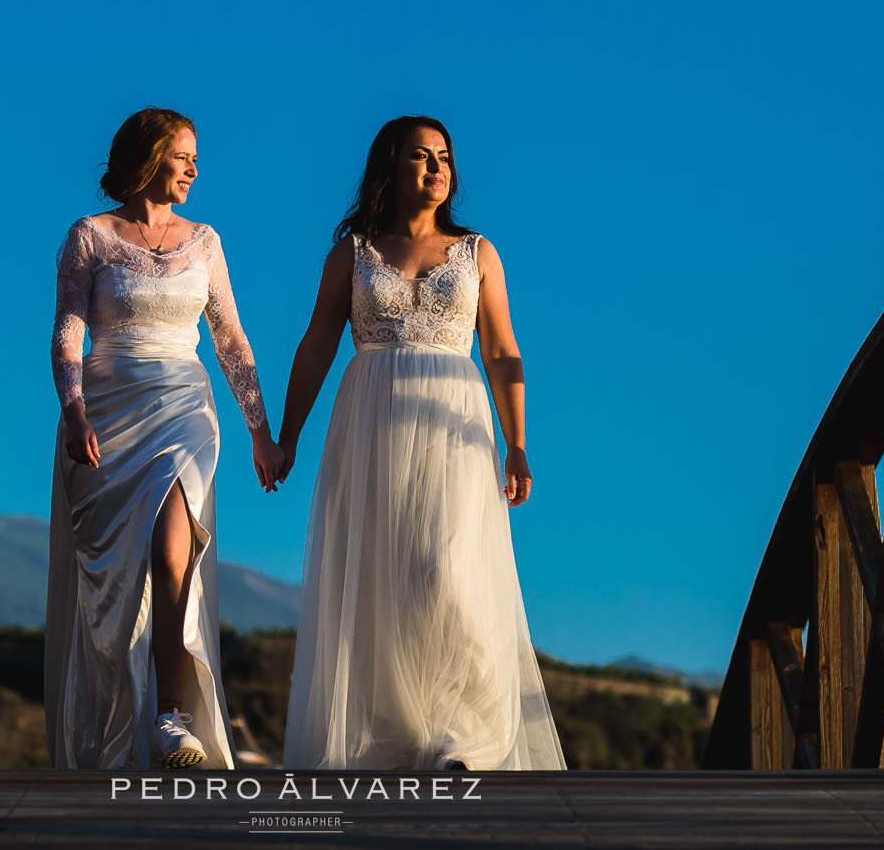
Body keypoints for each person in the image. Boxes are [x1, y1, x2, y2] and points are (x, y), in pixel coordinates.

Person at [277, 115, 564, 770]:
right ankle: (396, 731)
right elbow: (318, 343)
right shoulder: (352, 252)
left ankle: (464, 734)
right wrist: (285, 435)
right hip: (370, 421)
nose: (437, 167)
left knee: (449, 570)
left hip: (452, 421)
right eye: (421, 156)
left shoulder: (477, 253)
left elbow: (500, 349)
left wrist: (517, 443)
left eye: (445, 157)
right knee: (381, 575)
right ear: (390, 165)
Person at [44, 107, 283, 769]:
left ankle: (171, 716)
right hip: (109, 413)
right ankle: (111, 723)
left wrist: (260, 432)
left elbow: (231, 341)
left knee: (175, 550)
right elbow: (67, 332)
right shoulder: (88, 237)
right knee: (115, 580)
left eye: (197, 157)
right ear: (150, 156)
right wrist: (74, 410)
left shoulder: (204, 241)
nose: (195, 168)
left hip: (184, 405)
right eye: (185, 155)